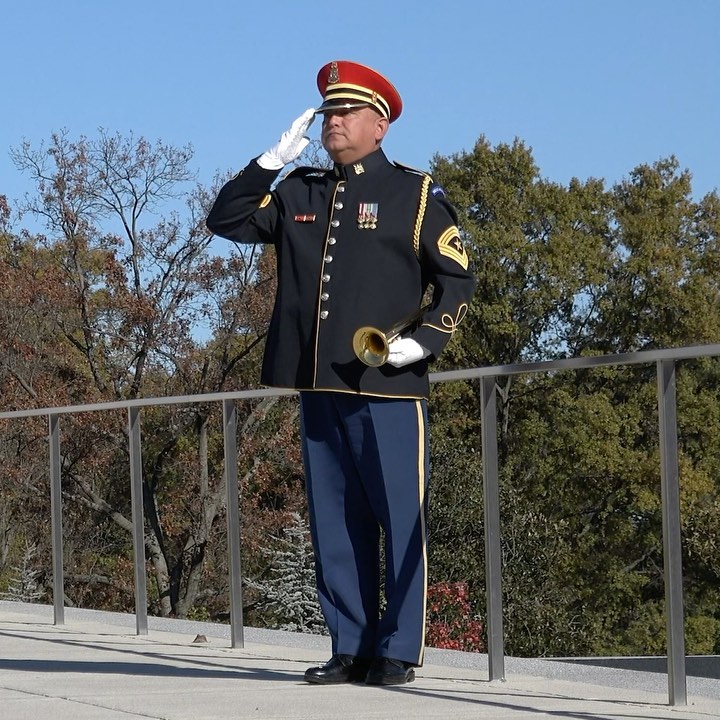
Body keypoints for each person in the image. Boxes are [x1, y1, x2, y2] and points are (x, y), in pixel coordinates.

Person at [206, 60, 476, 686]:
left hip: (385, 386)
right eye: (328, 111)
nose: (334, 121)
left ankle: (398, 649)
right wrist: (270, 161)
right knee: (335, 522)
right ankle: (349, 644)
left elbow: (458, 281)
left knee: (398, 516)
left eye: (347, 112)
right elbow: (225, 220)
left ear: (379, 126)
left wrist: (423, 343)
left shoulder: (415, 193)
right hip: (317, 381)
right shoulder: (299, 189)